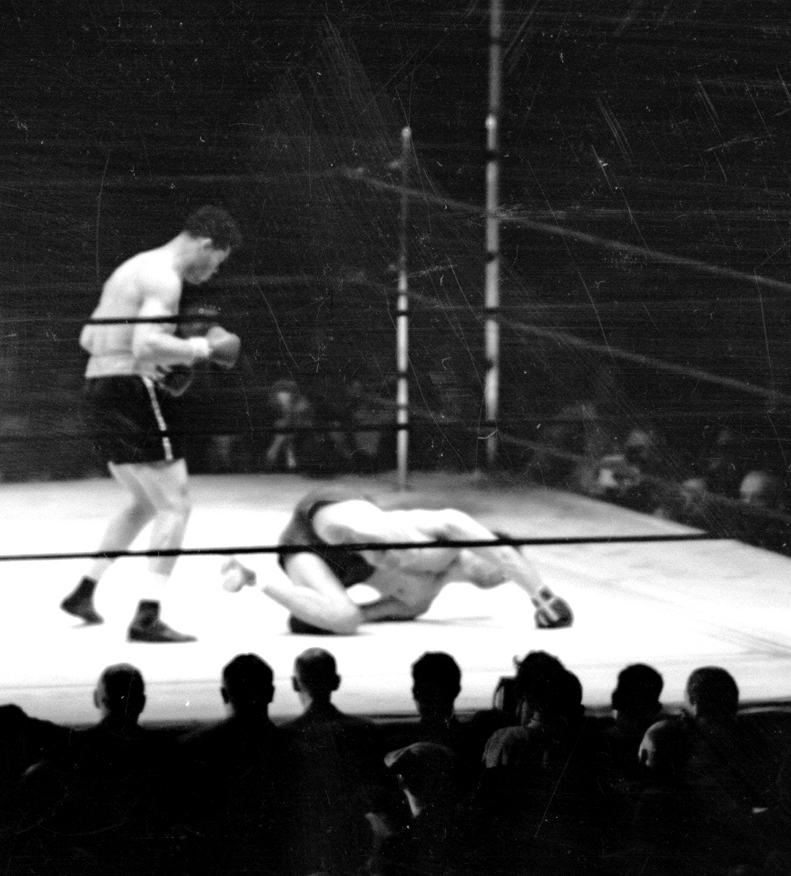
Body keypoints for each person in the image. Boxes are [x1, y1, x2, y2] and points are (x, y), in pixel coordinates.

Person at [59, 207, 243, 644]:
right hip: (128, 393)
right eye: (218, 260)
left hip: (97, 388)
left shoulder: (132, 268)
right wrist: (200, 348)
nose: (214, 271)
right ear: (206, 245)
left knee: (144, 503)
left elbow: (89, 338)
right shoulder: (165, 277)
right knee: (176, 505)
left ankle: (84, 590)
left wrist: (154, 362)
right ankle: (147, 615)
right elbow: (146, 345)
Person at [213, 484, 577, 635]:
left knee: (345, 619)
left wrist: (317, 616)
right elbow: (502, 551)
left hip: (328, 560)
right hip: (333, 519)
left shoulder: (420, 598)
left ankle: (253, 577)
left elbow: (368, 616)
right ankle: (261, 572)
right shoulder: (449, 528)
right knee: (386, 535)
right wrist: (543, 598)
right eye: (503, 573)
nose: (501, 578)